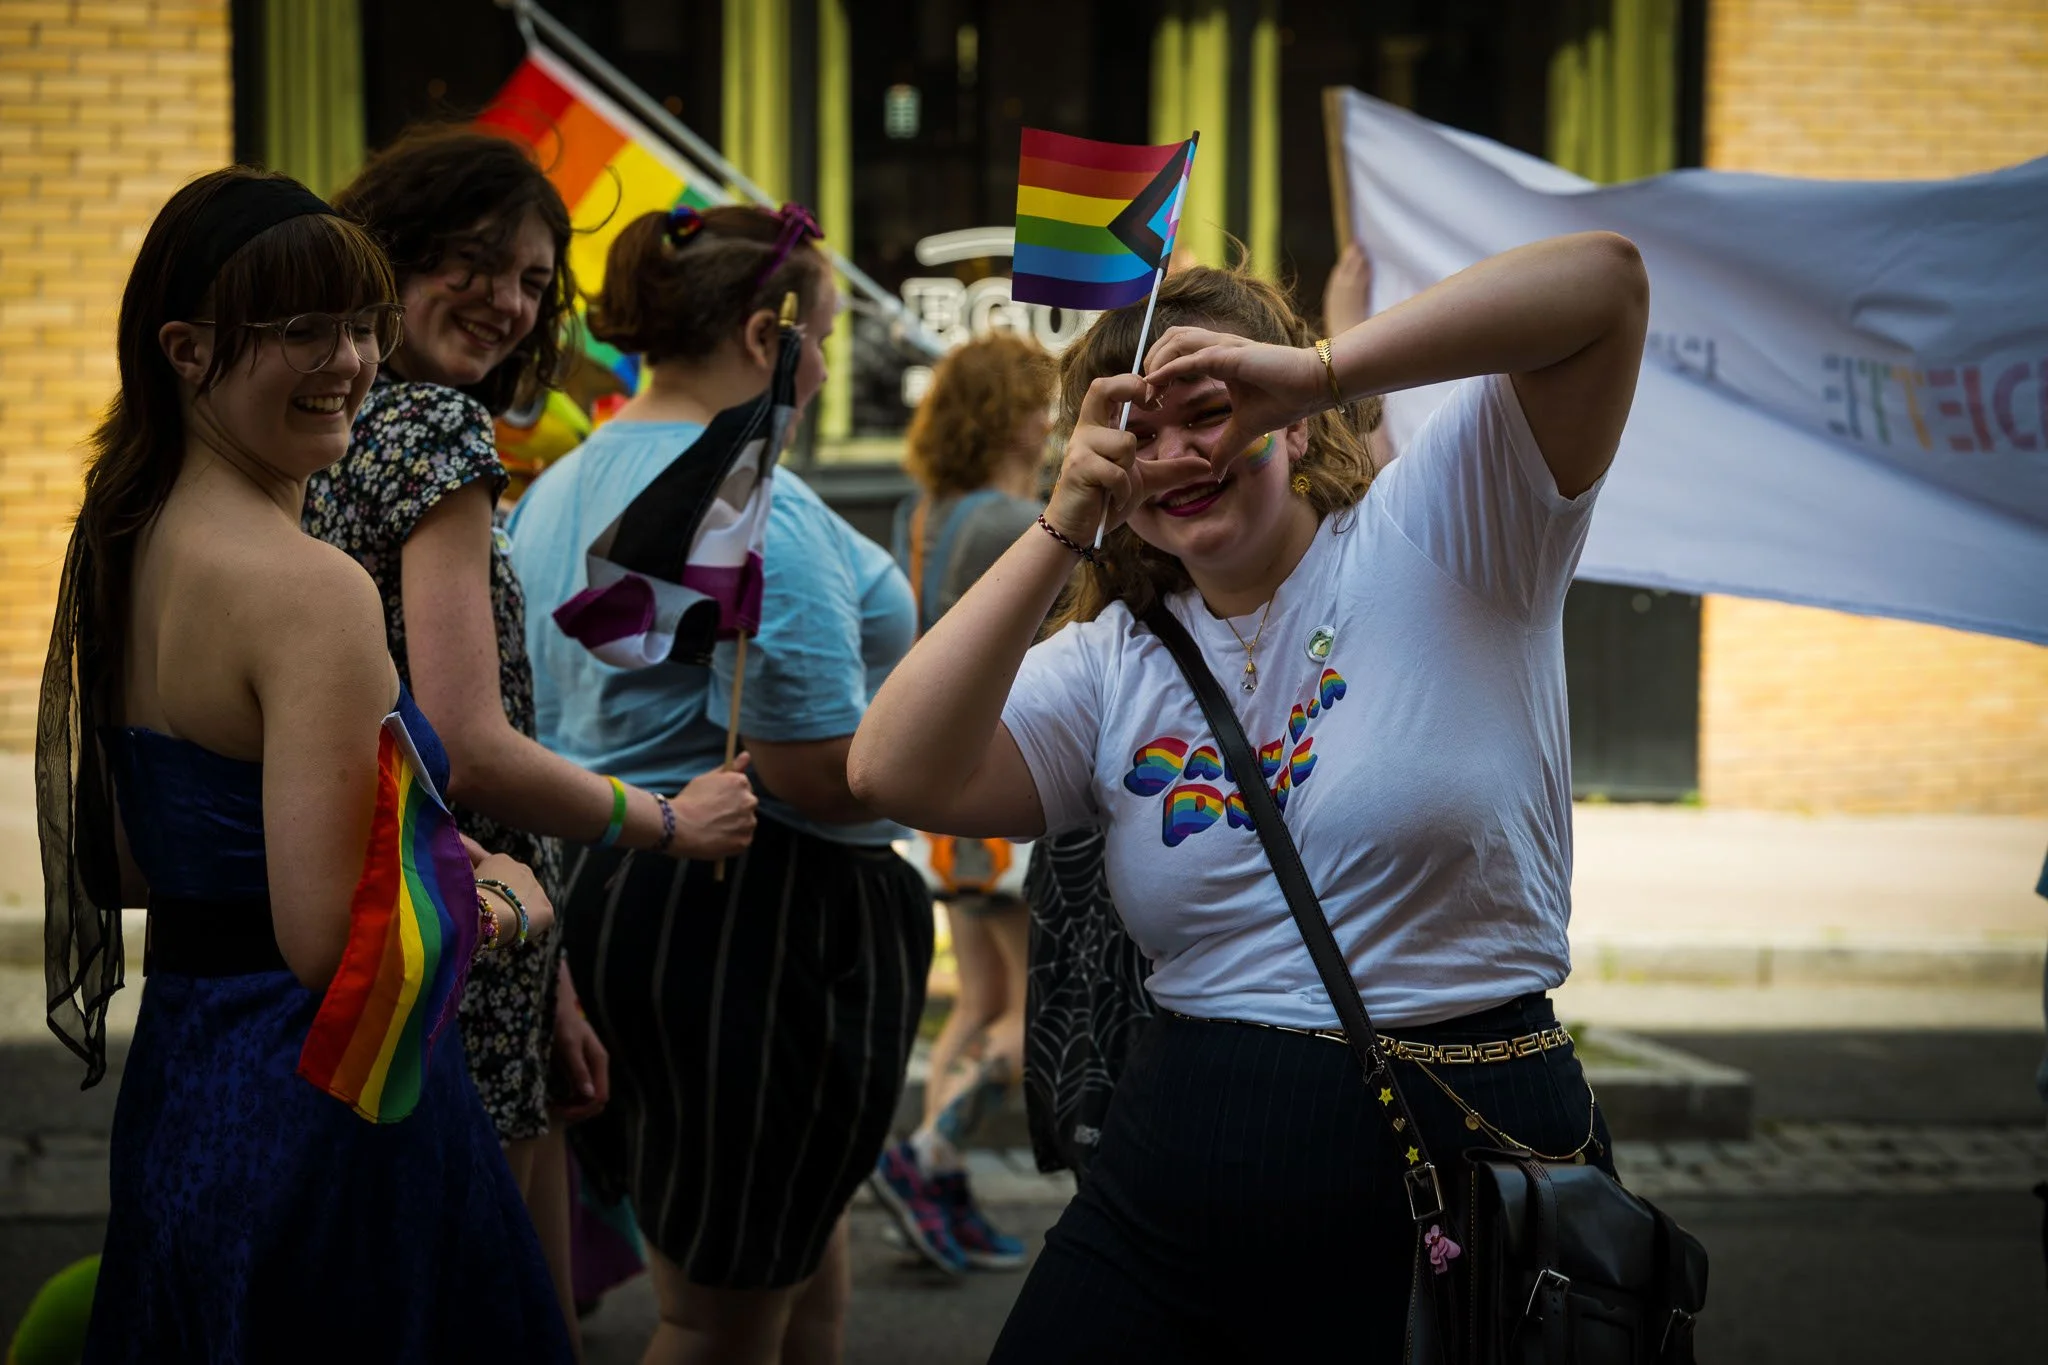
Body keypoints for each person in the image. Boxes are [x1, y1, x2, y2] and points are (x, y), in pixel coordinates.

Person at [849, 233, 1650, 1358]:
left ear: (1295, 421)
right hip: (1171, 1178)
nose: (1176, 453)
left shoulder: (1446, 534)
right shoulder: (1107, 662)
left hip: (1455, 1165)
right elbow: (890, 769)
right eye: (1136, 431)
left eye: (1211, 408)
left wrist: (1321, 367)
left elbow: (1602, 285)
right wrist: (1062, 519)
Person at [37, 166, 569, 1360]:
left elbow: (126, 863)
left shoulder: (122, 535)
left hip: (185, 1086)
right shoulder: (309, 591)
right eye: (300, 331)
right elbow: (332, 942)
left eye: (362, 325)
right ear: (184, 349)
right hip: (335, 1107)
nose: (349, 361)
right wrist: (507, 900)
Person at [303, 127, 759, 1349]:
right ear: (383, 256)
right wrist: (670, 820)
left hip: (412, 931)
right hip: (456, 935)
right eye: (470, 262)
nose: (505, 302)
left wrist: (549, 977)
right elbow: (466, 746)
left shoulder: (318, 436)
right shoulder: (433, 436)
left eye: (532, 282)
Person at [506, 202, 929, 1365]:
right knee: (713, 1315)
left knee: (776, 1248)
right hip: (753, 920)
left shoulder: (560, 483)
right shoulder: (762, 512)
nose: (829, 368)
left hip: (614, 894)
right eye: (825, 338)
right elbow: (818, 772)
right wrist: (976, 754)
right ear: (764, 337)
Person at [869, 334, 1054, 1274]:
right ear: (1011, 415)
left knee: (979, 999)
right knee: (1025, 1015)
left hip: (947, 795)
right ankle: (926, 1156)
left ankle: (939, 1186)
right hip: (1002, 783)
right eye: (1042, 399)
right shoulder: (1016, 518)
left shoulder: (928, 511)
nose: (1054, 414)